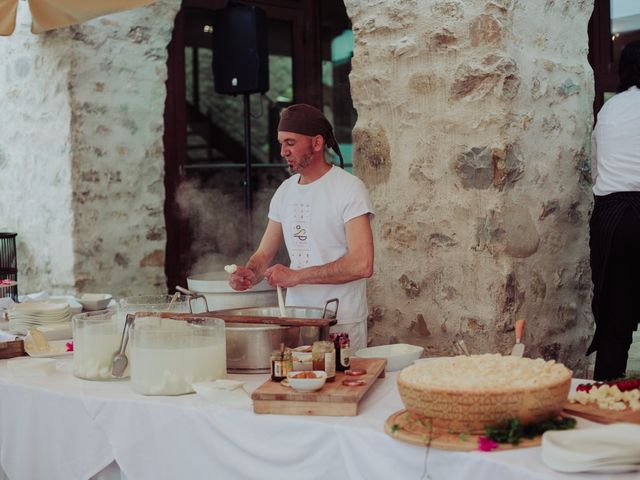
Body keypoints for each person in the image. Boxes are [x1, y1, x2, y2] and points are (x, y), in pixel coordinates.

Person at [229, 104, 374, 350]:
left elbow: (363, 264)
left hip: (340, 322)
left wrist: (297, 276)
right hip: (296, 321)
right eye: (281, 143)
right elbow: (264, 254)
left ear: (317, 144)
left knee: (343, 388)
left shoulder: (349, 188)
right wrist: (250, 273)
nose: (283, 151)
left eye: (291, 143)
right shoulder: (285, 191)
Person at [587, 40, 640, 381]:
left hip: (613, 220)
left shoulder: (610, 108)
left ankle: (603, 403)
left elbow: (595, 170)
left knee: (614, 324)